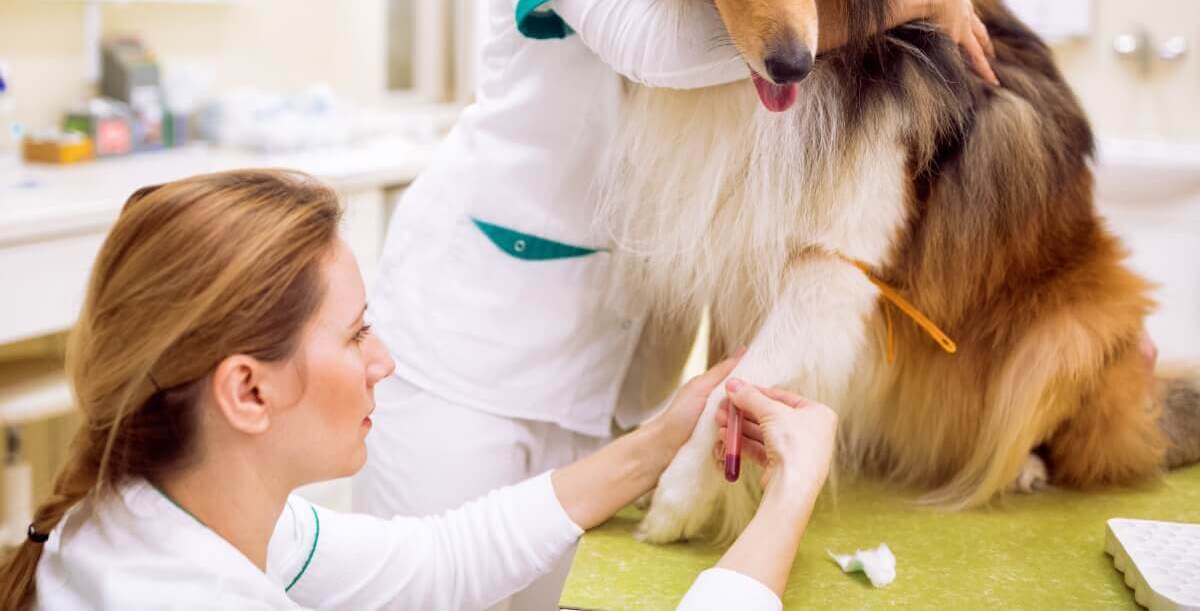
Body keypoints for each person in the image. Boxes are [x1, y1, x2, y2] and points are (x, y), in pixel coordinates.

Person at [357, 0, 995, 608]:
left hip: (631, 356)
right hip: (480, 345)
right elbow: (651, 42)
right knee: (416, 592)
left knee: (567, 595)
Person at [0, 171, 837, 611]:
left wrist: (662, 441)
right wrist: (788, 499)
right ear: (247, 391)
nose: (385, 361)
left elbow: (440, 560)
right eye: (357, 333)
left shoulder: (171, 512)